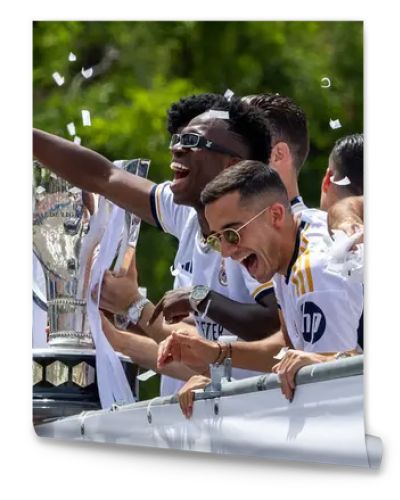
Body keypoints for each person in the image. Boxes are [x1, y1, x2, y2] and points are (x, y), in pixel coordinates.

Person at [33, 96, 280, 395]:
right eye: (177, 138)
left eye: (192, 141)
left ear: (232, 165)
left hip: (260, 416)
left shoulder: (256, 227)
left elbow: (275, 324)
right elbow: (104, 176)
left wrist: (196, 297)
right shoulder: (187, 211)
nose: (176, 147)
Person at [157, 160, 363, 415]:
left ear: (275, 215)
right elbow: (287, 348)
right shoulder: (292, 240)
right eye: (216, 240)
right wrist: (216, 355)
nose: (228, 252)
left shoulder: (314, 270)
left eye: (232, 234)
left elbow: (339, 385)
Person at [148, 92, 311, 332]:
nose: (225, 249)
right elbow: (106, 178)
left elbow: (276, 331)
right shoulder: (204, 210)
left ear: (277, 154)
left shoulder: (307, 241)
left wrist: (135, 307)